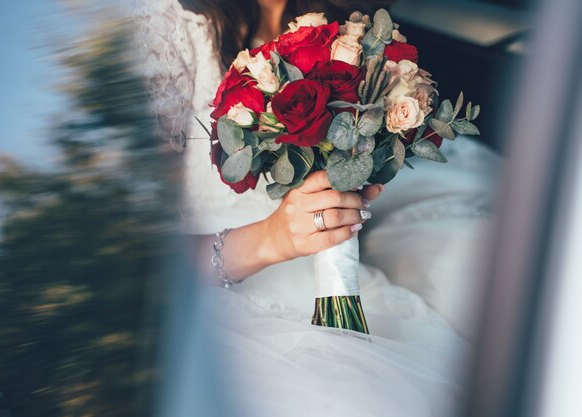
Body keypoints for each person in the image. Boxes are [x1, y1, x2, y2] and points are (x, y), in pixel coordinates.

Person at [134, 0, 499, 415]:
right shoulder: (163, 27)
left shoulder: (348, 31)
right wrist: (269, 239)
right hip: (218, 301)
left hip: (339, 278)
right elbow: (134, 261)